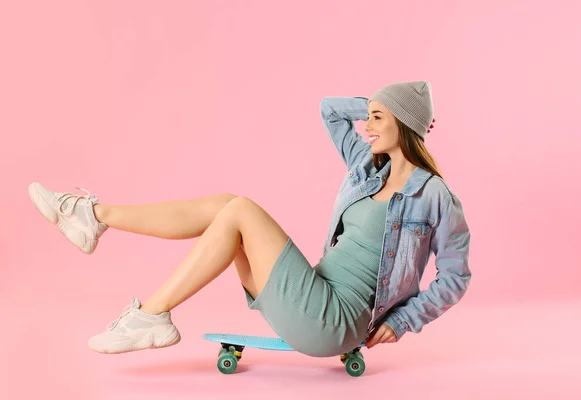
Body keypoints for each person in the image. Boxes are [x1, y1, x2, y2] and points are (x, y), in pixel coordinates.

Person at [28, 81, 471, 358]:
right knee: (228, 203)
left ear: (405, 126)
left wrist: (402, 321)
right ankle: (93, 216)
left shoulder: (433, 194)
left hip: (335, 319)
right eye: (369, 118)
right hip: (309, 296)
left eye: (377, 119)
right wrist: (375, 103)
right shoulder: (366, 169)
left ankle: (151, 315)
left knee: (240, 209)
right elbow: (328, 109)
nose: (366, 127)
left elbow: (455, 277)